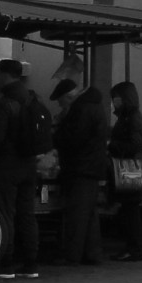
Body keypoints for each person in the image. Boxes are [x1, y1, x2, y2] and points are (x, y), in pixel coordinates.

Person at [0, 59, 50, 279]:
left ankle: (6, 264)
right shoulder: (32, 98)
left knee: (6, 213)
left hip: (8, 165)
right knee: (27, 214)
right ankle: (31, 264)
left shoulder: (5, 103)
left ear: (4, 75)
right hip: (30, 164)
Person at [50, 71, 110, 267]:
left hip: (81, 168)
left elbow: (73, 139)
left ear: (68, 97)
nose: (60, 106)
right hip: (91, 167)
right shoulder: (94, 106)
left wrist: (56, 136)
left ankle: (72, 255)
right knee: (89, 215)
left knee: (78, 214)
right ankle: (92, 253)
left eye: (60, 102)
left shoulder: (82, 109)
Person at [107, 81, 142, 261]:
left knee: (130, 211)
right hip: (133, 167)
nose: (114, 102)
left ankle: (134, 249)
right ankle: (133, 248)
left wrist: (111, 145)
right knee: (130, 211)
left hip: (130, 168)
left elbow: (133, 144)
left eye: (116, 98)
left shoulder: (131, 118)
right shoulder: (130, 117)